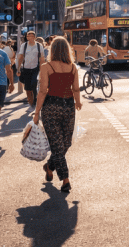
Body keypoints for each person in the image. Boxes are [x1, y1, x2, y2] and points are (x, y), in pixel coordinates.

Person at [33, 36, 82, 195]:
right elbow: (75, 88)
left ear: (52, 50)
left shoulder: (46, 67)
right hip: (67, 107)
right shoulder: (72, 67)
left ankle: (49, 166)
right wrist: (78, 102)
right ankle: (65, 180)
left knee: (63, 144)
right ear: (67, 50)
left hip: (52, 107)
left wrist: (37, 112)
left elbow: (42, 91)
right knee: (62, 145)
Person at [17, 31, 45, 107]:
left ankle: (35, 100)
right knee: (27, 88)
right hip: (26, 69)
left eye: (32, 36)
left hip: (35, 68)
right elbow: (20, 57)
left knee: (34, 84)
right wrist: (18, 68)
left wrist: (42, 71)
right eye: (28, 36)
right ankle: (31, 103)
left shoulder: (39, 46)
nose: (30, 38)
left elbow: (42, 59)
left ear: (35, 37)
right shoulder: (24, 45)